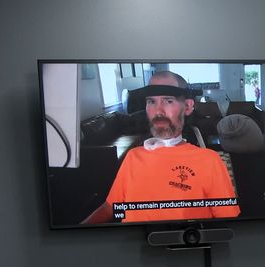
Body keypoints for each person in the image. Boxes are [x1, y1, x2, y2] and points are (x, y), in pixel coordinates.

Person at [83, 71, 240, 225]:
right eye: (151, 101)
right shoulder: (132, 157)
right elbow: (110, 208)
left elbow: (228, 222)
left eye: (168, 101)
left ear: (188, 106)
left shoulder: (209, 160)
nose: (158, 111)